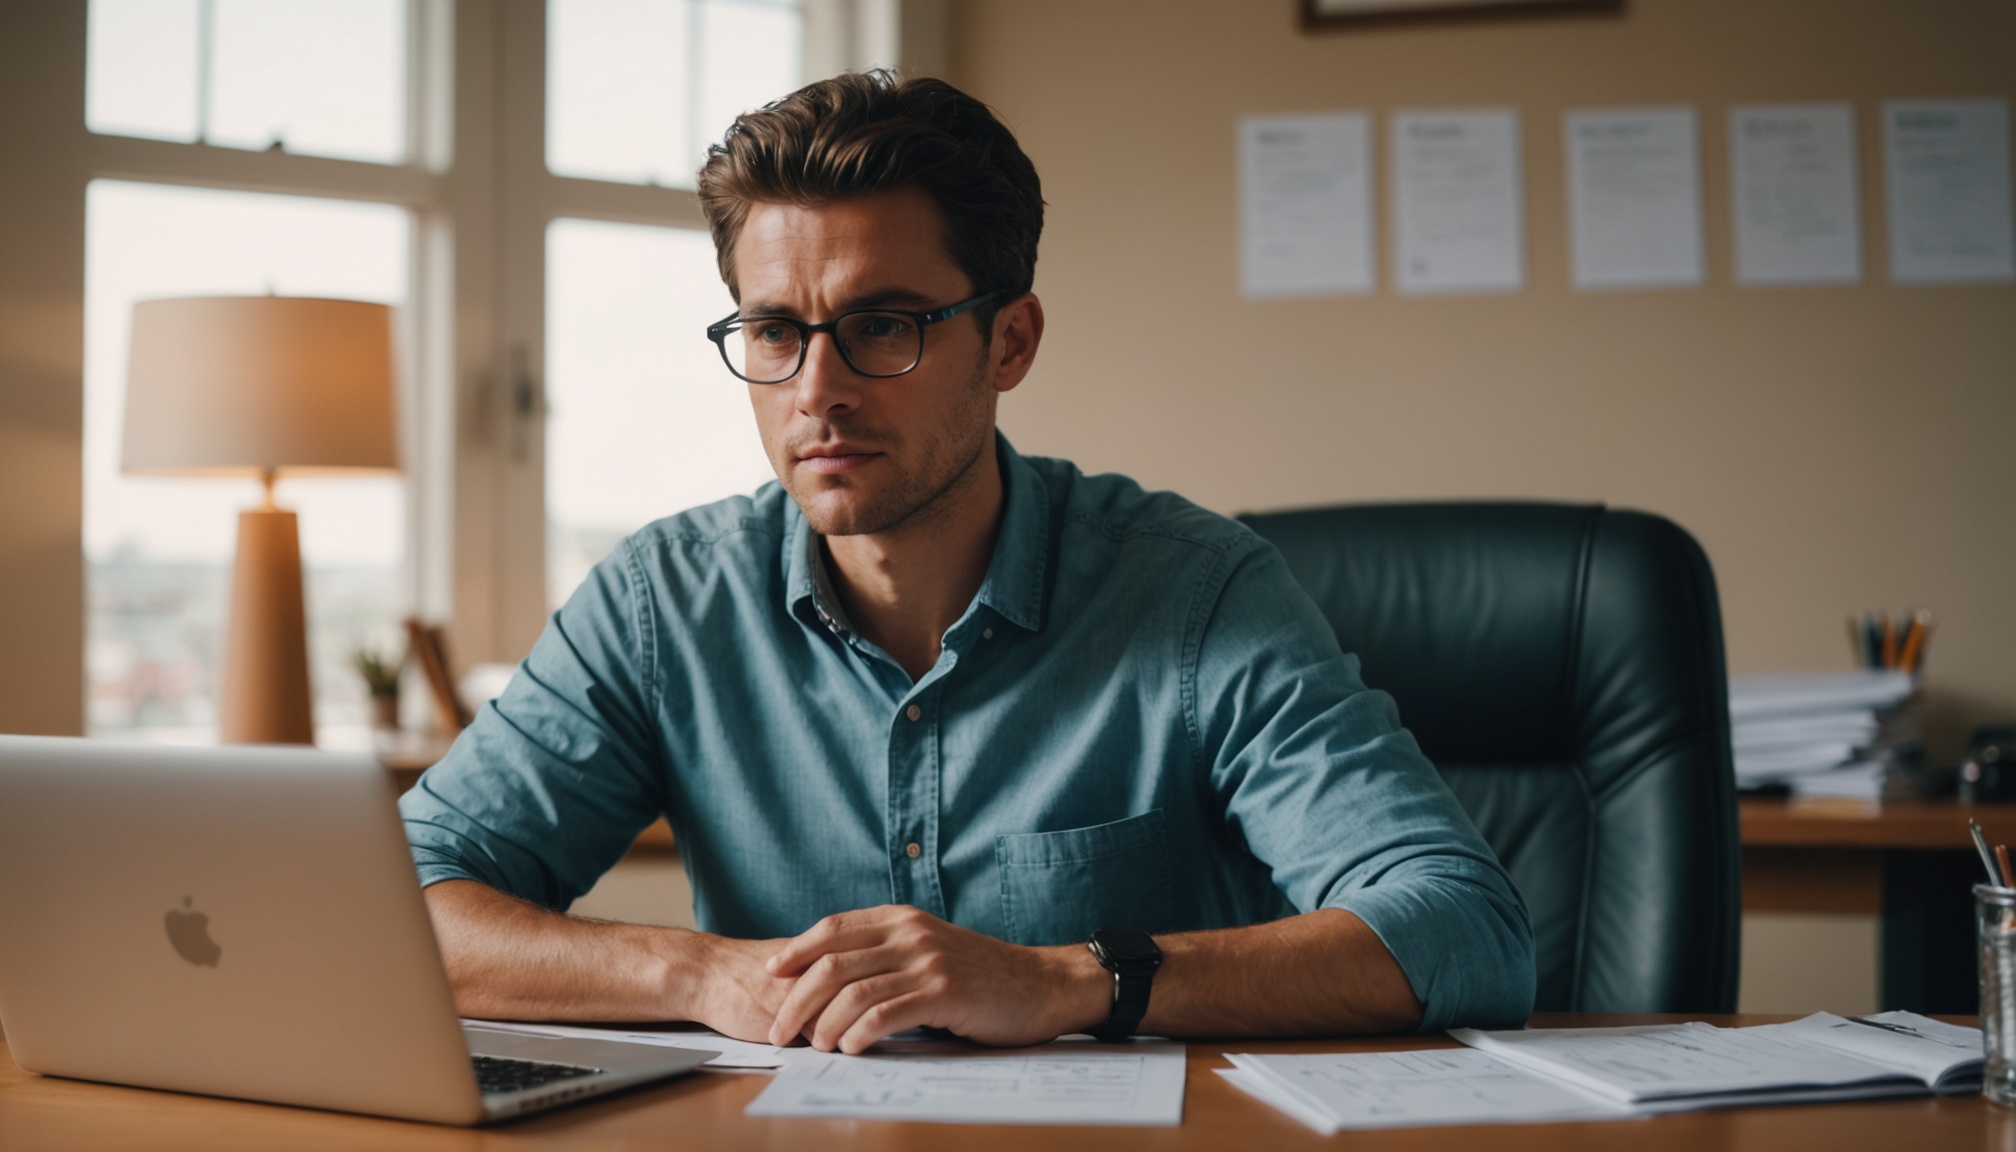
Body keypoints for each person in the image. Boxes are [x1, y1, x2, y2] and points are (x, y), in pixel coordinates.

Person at [401, 71, 1534, 1055]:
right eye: (776, 330)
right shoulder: (664, 604)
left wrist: (1061, 980)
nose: (817, 390)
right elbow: (397, 905)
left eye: (885, 325)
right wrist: (701, 974)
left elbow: (1459, 928)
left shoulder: (1196, 596)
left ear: (1011, 342)